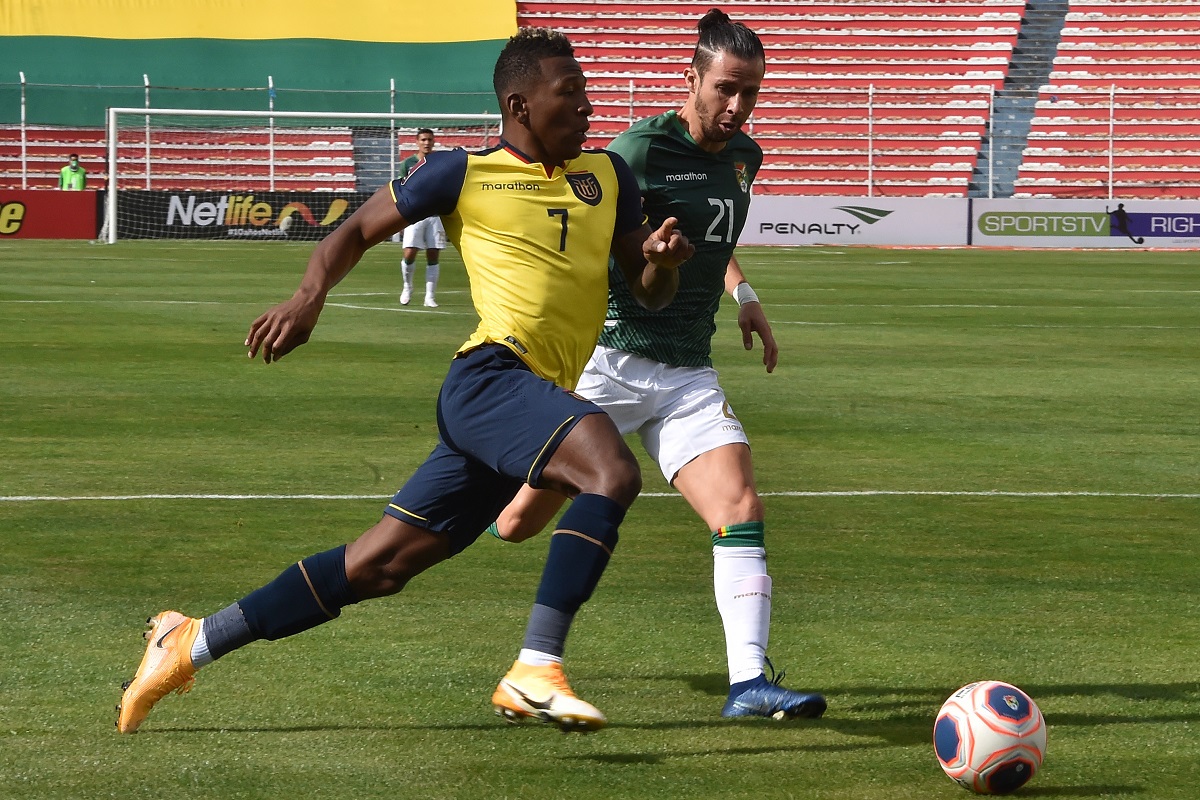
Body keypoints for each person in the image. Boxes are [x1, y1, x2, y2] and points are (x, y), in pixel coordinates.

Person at [115, 27, 693, 736]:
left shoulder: (609, 177)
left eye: (585, 92)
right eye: (569, 94)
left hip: (525, 409)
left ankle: (189, 642)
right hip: (492, 381)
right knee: (611, 470)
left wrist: (662, 261)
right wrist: (308, 297)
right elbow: (354, 231)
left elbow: (649, 290)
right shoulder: (460, 172)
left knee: (379, 569)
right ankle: (536, 668)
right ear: (519, 104)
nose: (588, 106)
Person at [489, 9, 826, 721]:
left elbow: (710, 235)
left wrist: (744, 295)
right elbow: (584, 229)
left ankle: (748, 685)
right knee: (518, 523)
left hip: (686, 373)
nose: (737, 107)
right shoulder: (633, 153)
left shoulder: (745, 158)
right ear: (691, 79)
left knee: (739, 507)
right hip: (607, 364)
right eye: (726, 89)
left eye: (751, 93)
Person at [396, 128, 447, 306]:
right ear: (417, 142)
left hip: (435, 215)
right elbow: (402, 190)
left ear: (433, 142)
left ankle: (429, 297)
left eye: (430, 139)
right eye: (423, 139)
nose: (427, 142)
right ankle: (407, 286)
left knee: (433, 254)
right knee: (410, 252)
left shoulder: (439, 162)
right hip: (414, 215)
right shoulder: (407, 163)